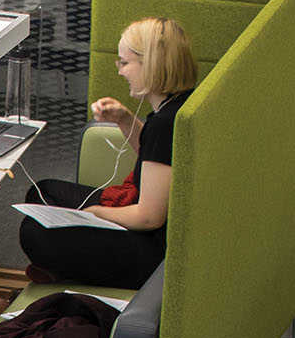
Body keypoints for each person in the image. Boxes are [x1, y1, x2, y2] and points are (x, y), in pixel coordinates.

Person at [19, 16, 198, 291]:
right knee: (42, 191)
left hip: (150, 253)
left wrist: (98, 213)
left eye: (125, 63)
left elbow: (149, 217)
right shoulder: (176, 107)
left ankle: (69, 273)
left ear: (150, 65)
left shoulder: (165, 123)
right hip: (152, 235)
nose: (120, 71)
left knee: (33, 233)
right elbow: (155, 161)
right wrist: (125, 119)